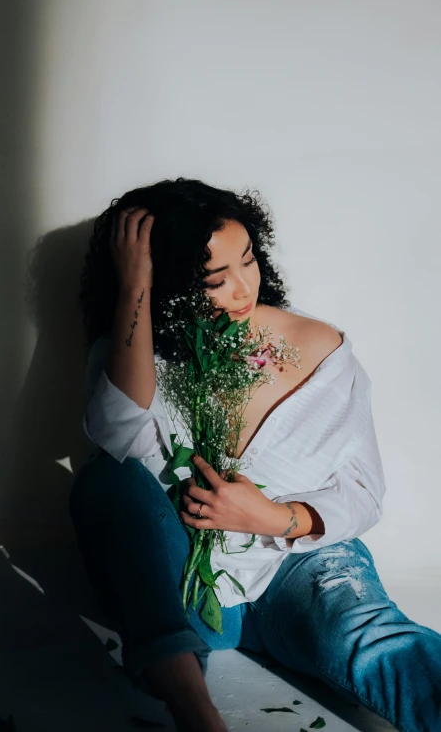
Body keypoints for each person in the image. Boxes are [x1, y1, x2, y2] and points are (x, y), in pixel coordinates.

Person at [69, 178, 441, 732]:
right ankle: (195, 711)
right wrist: (135, 287)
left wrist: (268, 517)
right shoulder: (139, 355)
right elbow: (117, 437)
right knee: (104, 480)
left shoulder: (320, 349)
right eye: (216, 279)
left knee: (371, 641)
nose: (244, 289)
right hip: (197, 597)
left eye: (248, 261)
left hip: (303, 568)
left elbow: (364, 493)